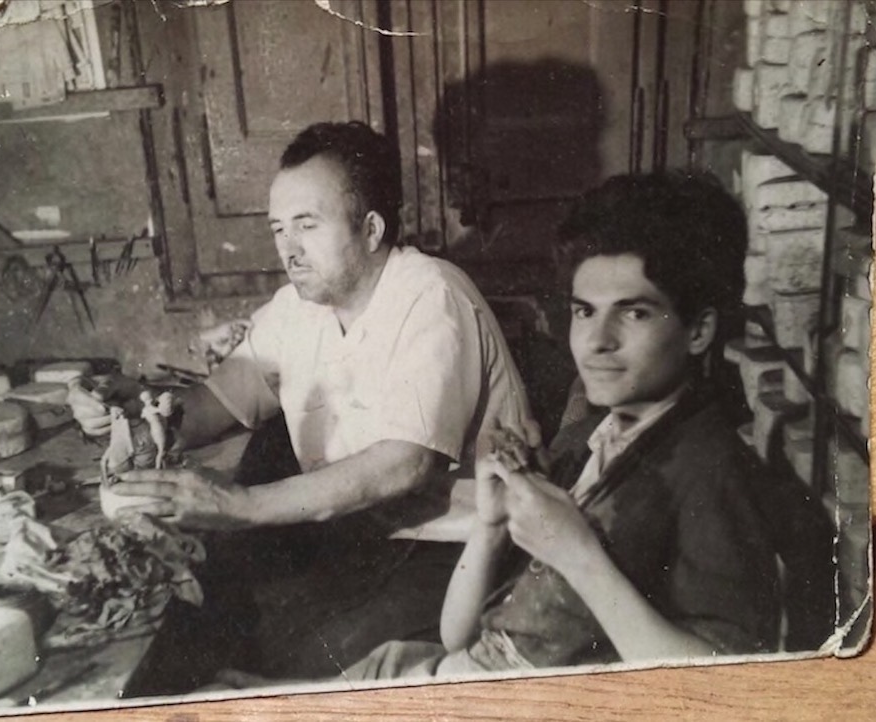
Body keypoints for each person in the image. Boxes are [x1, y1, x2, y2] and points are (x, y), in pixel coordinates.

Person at [220, 170, 834, 688]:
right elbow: (457, 636)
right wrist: (491, 528)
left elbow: (727, 688)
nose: (597, 341)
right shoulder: (592, 439)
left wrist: (576, 552)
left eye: (635, 313)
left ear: (698, 331)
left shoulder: (711, 469)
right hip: (442, 672)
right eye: (585, 311)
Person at [70, 121, 534, 676]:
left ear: (370, 229)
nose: (288, 249)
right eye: (279, 229)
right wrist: (135, 416)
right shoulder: (299, 307)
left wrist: (240, 505)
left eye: (307, 226)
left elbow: (404, 463)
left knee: (284, 664)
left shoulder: (430, 295)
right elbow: (213, 405)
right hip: (363, 535)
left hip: (455, 551)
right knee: (212, 614)